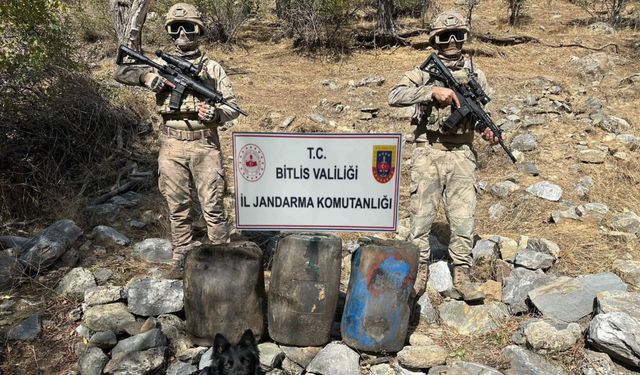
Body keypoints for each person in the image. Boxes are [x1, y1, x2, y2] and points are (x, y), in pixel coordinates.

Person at [114, 3, 241, 268]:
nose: (182, 33)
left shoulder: (213, 69)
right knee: (177, 207)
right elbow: (121, 71)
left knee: (213, 206)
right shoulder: (160, 64)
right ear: (169, 32)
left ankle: (222, 260)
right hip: (171, 144)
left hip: (204, 143)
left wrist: (214, 114)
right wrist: (147, 76)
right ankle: (182, 258)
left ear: (199, 30)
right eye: (175, 27)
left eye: (189, 27)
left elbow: (232, 107)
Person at [388, 10, 498, 302]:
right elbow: (394, 95)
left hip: (462, 153)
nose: (452, 42)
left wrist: (487, 131)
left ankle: (462, 273)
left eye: (458, 35)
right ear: (434, 40)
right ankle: (419, 270)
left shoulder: (477, 75)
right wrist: (431, 91)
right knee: (422, 216)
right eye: (444, 36)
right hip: (429, 151)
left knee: (463, 219)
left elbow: (479, 115)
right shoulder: (422, 73)